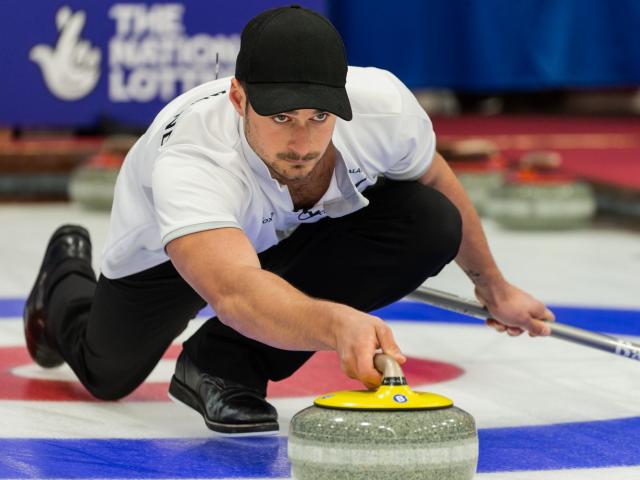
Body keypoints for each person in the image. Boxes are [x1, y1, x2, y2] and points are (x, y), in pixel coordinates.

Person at [24, 5, 555, 434]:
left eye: (318, 118)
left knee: (430, 221)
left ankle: (223, 366)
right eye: (280, 118)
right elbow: (233, 292)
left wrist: (494, 285)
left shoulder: (384, 106)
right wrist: (334, 323)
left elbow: (434, 178)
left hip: (292, 232)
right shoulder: (192, 158)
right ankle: (63, 280)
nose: (301, 143)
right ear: (238, 97)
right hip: (172, 257)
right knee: (107, 373)